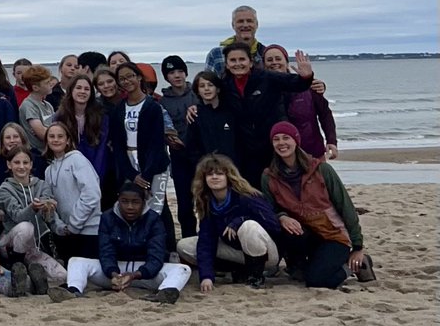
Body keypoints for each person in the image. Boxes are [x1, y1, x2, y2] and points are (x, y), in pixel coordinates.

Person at [261, 122, 375, 289]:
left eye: (286, 138)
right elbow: (270, 209)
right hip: (306, 236)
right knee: (288, 231)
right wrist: (282, 217)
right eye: (276, 139)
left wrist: (358, 246)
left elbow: (346, 207)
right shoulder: (269, 176)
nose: (281, 143)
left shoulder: (321, 170)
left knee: (316, 281)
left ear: (296, 141)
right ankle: (297, 267)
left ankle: (354, 265)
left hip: (333, 236)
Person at [48, 182, 191, 305]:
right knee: (76, 261)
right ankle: (73, 291)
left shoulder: (153, 219)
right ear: (118, 200)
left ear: (143, 202)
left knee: (183, 269)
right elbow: (106, 251)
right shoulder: (107, 217)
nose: (129, 206)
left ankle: (163, 294)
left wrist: (135, 275)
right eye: (125, 201)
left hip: (144, 273)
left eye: (135, 202)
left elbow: (156, 256)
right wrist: (114, 274)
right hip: (116, 272)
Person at [175, 154, 282, 291]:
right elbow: (206, 241)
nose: (214, 177)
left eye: (219, 174)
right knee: (185, 246)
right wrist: (206, 276)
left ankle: (255, 276)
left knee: (249, 226)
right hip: (236, 249)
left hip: (267, 253)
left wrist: (240, 221)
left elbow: (274, 226)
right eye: (209, 174)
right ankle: (238, 270)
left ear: (228, 177)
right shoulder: (207, 202)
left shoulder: (247, 197)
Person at [217, 44, 315, 187]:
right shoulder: (225, 85)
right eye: (233, 60)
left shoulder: (266, 78)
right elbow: (208, 97)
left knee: (277, 187)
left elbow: (296, 84)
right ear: (227, 64)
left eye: (242, 59)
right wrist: (194, 107)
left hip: (271, 146)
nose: (238, 64)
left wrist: (306, 77)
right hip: (245, 148)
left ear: (250, 62)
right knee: (252, 190)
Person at [109, 63, 173, 244]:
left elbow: (156, 143)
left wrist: (146, 174)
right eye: (122, 79)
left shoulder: (152, 106)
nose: (126, 81)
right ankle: (138, 246)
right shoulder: (119, 109)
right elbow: (118, 146)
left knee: (157, 208)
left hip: (154, 164)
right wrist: (132, 174)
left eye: (130, 76)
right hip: (129, 162)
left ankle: (168, 248)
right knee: (133, 206)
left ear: (138, 77)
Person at [0, 146, 66, 287]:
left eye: (26, 163)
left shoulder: (41, 184)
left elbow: (50, 218)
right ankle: (15, 266)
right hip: (10, 243)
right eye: (17, 163)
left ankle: (30, 281)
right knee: (26, 227)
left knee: (62, 276)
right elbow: (17, 217)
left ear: (31, 165)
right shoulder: (5, 189)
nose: (22, 167)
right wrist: (33, 207)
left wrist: (61, 227)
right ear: (9, 164)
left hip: (34, 246)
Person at [263, 45, 338, 160]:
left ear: (287, 62)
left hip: (311, 152)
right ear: (263, 65)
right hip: (276, 156)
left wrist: (331, 140)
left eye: (278, 59)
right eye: (269, 60)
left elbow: (325, 114)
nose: (274, 62)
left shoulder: (307, 85)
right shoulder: (259, 89)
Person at [40, 122, 102, 261]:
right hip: (66, 234)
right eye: (52, 136)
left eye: (60, 136)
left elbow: (92, 194)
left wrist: (74, 224)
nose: (56, 140)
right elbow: (50, 202)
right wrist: (60, 227)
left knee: (89, 279)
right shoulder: (48, 170)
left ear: (68, 140)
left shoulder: (77, 160)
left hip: (88, 232)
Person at [160, 55, 198, 240]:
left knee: (206, 200)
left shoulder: (197, 94)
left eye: (180, 71)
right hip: (178, 156)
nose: (177, 76)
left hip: (201, 155)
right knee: (184, 203)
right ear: (166, 77)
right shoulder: (163, 102)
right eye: (172, 73)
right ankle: (188, 239)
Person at [53, 74, 110, 183]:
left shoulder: (101, 116)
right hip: (68, 171)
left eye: (87, 89)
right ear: (71, 91)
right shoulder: (60, 116)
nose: (83, 91)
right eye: (78, 88)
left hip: (96, 168)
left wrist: (95, 175)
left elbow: (102, 149)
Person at [184, 70, 237, 163]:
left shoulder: (231, 112)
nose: (206, 89)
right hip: (207, 169)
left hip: (233, 168)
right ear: (198, 91)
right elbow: (191, 148)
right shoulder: (195, 115)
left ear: (218, 89)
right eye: (202, 86)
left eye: (210, 85)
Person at [204, 5, 266, 75]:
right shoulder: (217, 55)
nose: (245, 25)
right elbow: (208, 83)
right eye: (240, 21)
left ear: (256, 25)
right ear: (233, 25)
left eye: (249, 21)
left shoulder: (265, 54)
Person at [18, 65, 57, 153]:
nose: (51, 83)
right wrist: (49, 131)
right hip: (36, 154)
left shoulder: (48, 105)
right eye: (47, 82)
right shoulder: (29, 105)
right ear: (35, 88)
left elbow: (56, 126)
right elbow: (42, 134)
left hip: (49, 152)